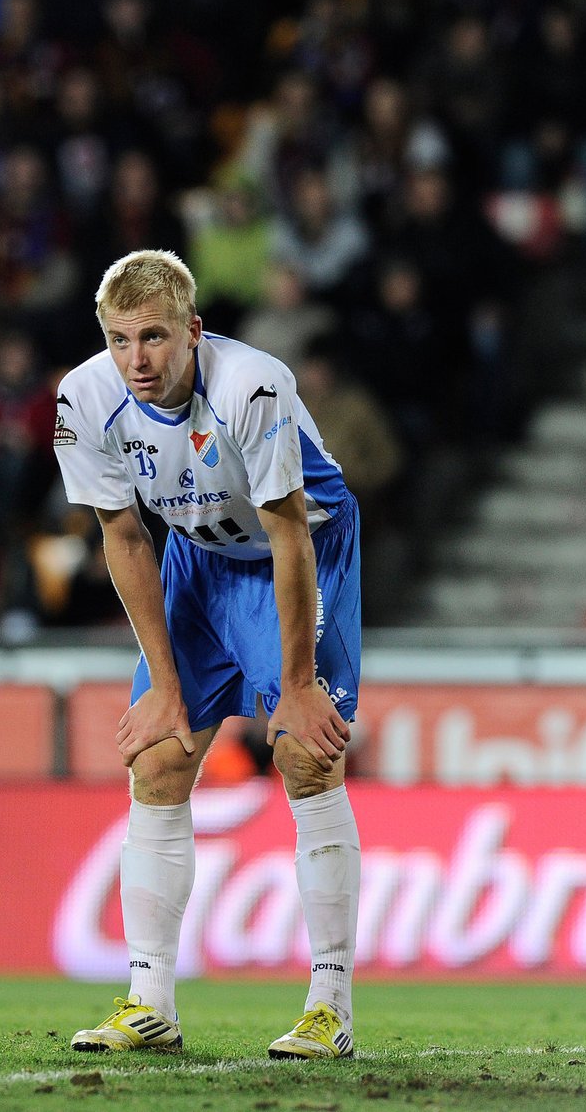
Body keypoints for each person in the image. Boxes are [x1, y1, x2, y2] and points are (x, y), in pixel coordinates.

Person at [52, 249, 361, 1060]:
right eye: (119, 340)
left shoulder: (250, 385)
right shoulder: (83, 398)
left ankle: (330, 1006)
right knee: (156, 756)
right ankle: (148, 1000)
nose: (136, 360)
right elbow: (124, 536)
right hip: (197, 558)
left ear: (193, 330)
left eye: (153, 337)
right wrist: (161, 682)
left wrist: (295, 684)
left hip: (297, 553)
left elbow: (289, 528)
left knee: (303, 752)